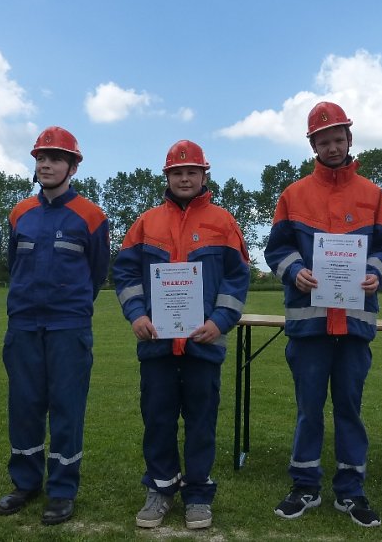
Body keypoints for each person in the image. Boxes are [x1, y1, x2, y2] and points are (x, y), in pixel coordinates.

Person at [264, 102, 382, 528]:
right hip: (309, 322)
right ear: (312, 145)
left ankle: (351, 491)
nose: (332, 146)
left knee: (349, 408)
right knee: (309, 408)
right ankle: (304, 486)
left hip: (356, 320)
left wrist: (375, 274)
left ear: (349, 139)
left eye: (338, 138)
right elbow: (276, 249)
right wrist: (295, 271)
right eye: (323, 140)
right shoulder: (293, 194)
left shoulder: (372, 194)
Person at [112, 140, 250, 531]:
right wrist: (136, 314)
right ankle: (159, 488)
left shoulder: (223, 222)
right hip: (155, 344)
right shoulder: (146, 222)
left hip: (203, 344)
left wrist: (221, 320)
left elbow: (237, 278)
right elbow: (124, 274)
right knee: (157, 419)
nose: (184, 178)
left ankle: (199, 495)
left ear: (205, 175)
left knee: (201, 421)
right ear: (167, 177)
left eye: (192, 171)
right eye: (177, 172)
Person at [0, 126, 109, 525]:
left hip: (68, 326)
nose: (46, 164)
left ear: (72, 165)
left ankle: (61, 489)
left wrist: (69, 307)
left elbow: (96, 273)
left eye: (56, 158)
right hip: (23, 324)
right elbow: (13, 264)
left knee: (66, 408)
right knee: (23, 405)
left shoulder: (92, 216)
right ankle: (25, 483)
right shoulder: (19, 213)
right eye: (41, 157)